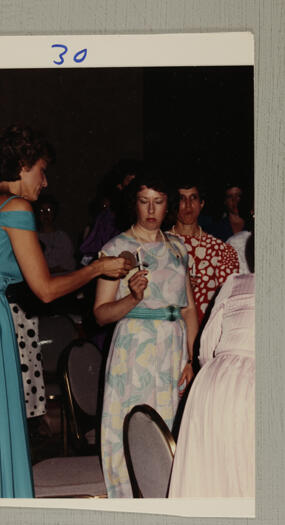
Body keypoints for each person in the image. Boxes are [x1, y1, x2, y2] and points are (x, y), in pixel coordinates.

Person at [0, 124, 131, 498]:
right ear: (22, 165)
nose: (45, 180)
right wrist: (98, 269)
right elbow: (46, 290)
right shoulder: (15, 208)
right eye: (42, 169)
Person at [93, 172, 198, 497]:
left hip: (173, 350)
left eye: (158, 201)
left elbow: (189, 308)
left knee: (168, 428)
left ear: (168, 205)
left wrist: (191, 357)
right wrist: (132, 298)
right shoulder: (117, 249)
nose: (151, 210)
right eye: (144, 201)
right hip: (134, 350)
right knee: (132, 426)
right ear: (134, 204)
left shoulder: (178, 247)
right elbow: (99, 313)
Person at [169, 233, 255, 497]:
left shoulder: (236, 282)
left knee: (209, 482)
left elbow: (206, 348)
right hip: (250, 388)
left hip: (214, 384)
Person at [168, 183, 239, 323]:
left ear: (202, 203)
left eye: (193, 198)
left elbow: (229, 303)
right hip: (169, 330)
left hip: (205, 333)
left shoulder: (221, 250)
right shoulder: (159, 246)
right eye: (182, 199)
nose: (188, 205)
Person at [37, 195, 76, 274]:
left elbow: (69, 264)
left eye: (48, 210)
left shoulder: (62, 238)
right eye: (42, 211)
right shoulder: (33, 238)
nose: (45, 214)